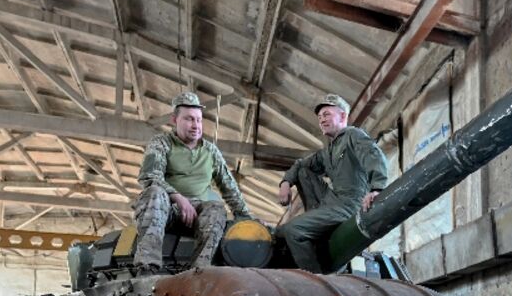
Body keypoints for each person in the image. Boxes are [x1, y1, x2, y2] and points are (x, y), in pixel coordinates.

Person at [132, 92, 251, 268]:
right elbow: (149, 177)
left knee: (216, 208)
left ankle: (199, 270)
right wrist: (179, 198)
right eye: (189, 119)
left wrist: (247, 217)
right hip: (165, 211)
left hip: (197, 216)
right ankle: (148, 266)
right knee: (155, 193)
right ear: (175, 120)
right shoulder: (161, 143)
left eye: (198, 120)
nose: (195, 125)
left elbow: (229, 188)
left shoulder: (211, 152)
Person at [276, 94, 389, 273]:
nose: (322, 120)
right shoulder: (329, 150)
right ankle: (315, 225)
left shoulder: (353, 135)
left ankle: (317, 279)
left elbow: (374, 156)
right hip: (332, 201)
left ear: (343, 116)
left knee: (293, 230)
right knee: (304, 170)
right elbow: (300, 165)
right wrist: (285, 183)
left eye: (327, 114)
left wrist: (377, 189)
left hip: (350, 204)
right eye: (320, 117)